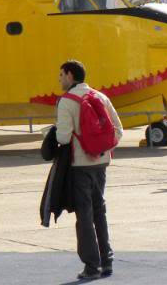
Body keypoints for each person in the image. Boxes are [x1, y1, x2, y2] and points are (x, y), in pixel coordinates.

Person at [56, 60, 123, 281]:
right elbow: (118, 130)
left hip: (80, 165)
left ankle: (91, 265)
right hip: (101, 163)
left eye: (61, 75)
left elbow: (63, 137)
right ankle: (107, 261)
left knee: (84, 215)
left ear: (70, 75)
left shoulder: (66, 102)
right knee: (99, 210)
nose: (59, 79)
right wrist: (101, 149)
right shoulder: (100, 97)